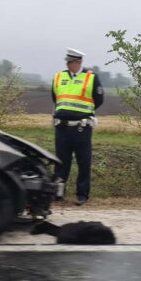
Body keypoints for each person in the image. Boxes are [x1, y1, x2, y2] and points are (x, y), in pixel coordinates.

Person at [51, 48, 103, 206]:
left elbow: (99, 99)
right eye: (67, 61)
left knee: (83, 162)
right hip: (62, 128)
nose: (67, 64)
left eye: (70, 62)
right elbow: (55, 98)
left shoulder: (91, 77)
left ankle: (82, 195)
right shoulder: (59, 77)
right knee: (61, 163)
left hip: (82, 128)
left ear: (78, 62)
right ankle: (58, 194)